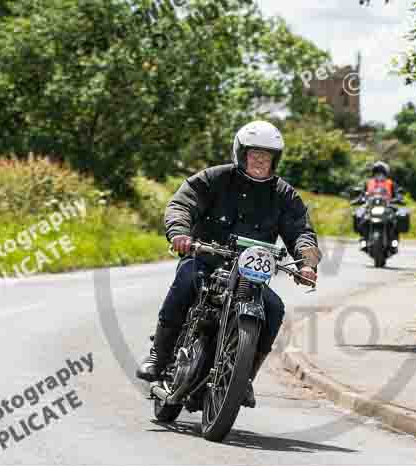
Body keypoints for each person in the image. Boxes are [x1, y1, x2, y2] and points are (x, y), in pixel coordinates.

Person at [136, 120, 322, 408]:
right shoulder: (215, 179)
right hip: (206, 260)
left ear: (276, 160)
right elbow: (181, 204)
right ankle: (158, 356)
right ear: (241, 153)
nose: (260, 161)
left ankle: (244, 378)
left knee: (273, 308)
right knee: (187, 281)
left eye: (267, 156)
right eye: (254, 155)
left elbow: (302, 232)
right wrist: (180, 233)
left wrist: (307, 263)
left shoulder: (283, 194)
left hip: (250, 276)